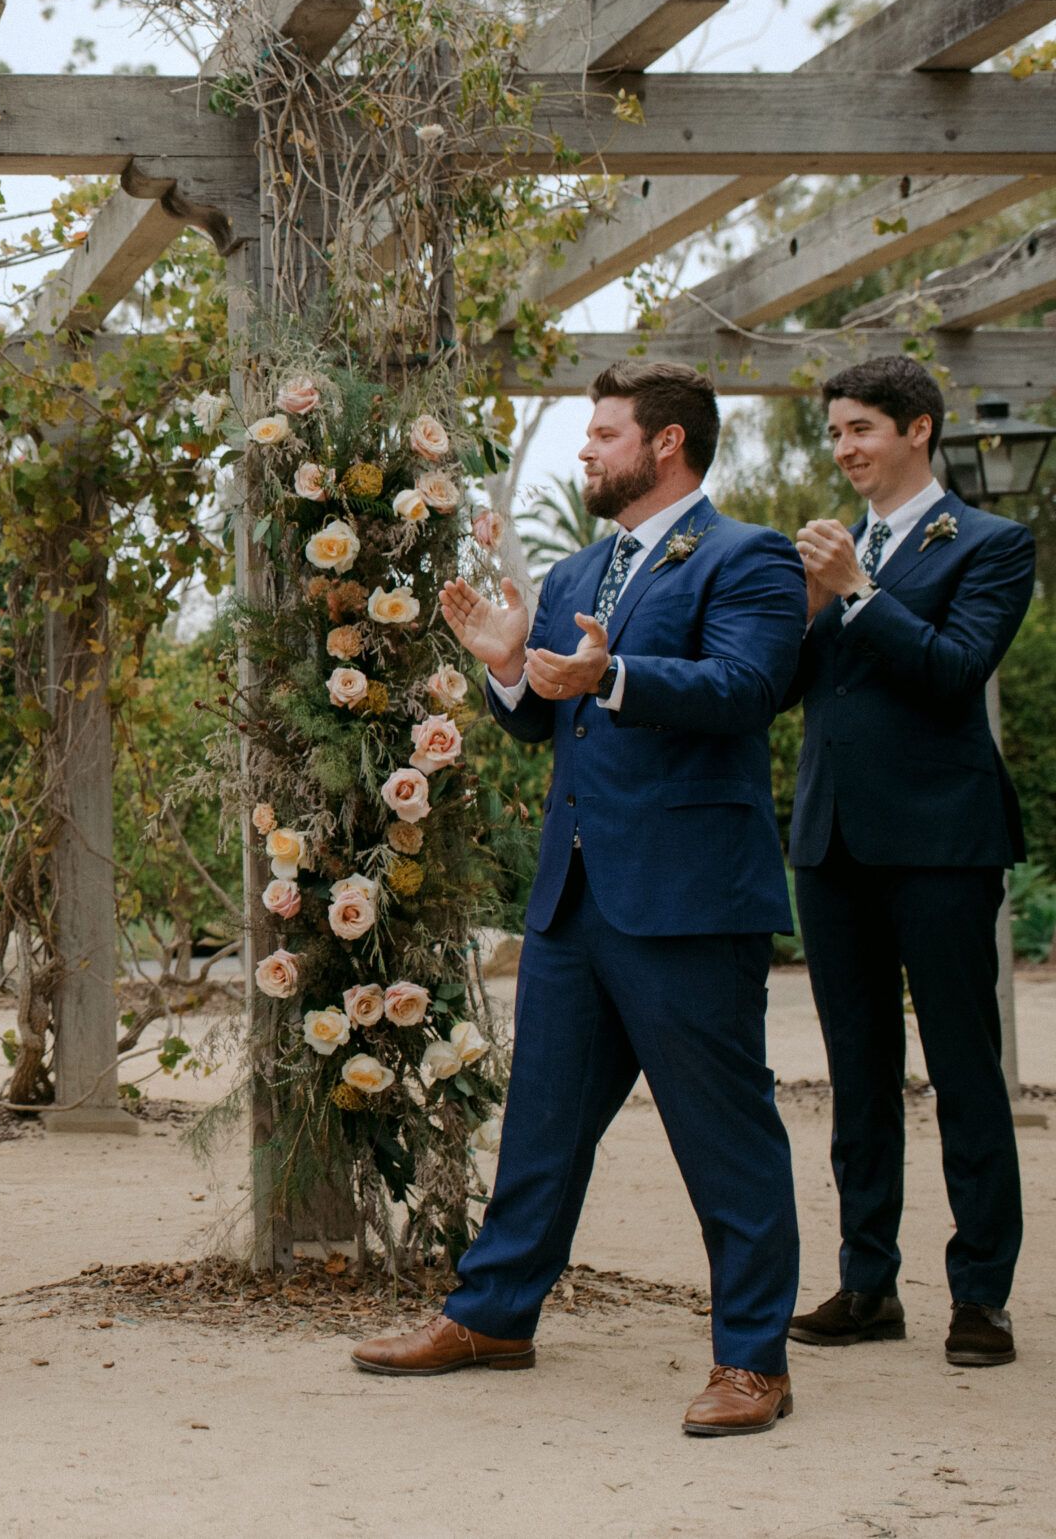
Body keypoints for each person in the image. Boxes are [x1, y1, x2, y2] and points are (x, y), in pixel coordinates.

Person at [350, 361, 807, 1437]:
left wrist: (607, 676)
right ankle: (493, 1315)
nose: (585, 451)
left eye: (604, 434)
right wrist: (511, 670)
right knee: (542, 1130)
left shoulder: (749, 558)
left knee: (725, 1138)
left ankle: (753, 1362)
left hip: (691, 902)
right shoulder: (572, 574)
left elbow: (745, 692)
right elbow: (548, 718)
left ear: (666, 446)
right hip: (575, 898)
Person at [784, 355, 1031, 1370]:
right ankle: (868, 1282)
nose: (843, 449)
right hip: (831, 840)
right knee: (858, 1077)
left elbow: (951, 673)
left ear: (917, 430)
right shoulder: (826, 553)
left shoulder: (992, 544)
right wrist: (803, 605)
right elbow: (790, 685)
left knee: (965, 1073)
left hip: (939, 841)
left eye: (860, 430)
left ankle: (979, 1296)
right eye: (835, 432)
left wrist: (855, 589)